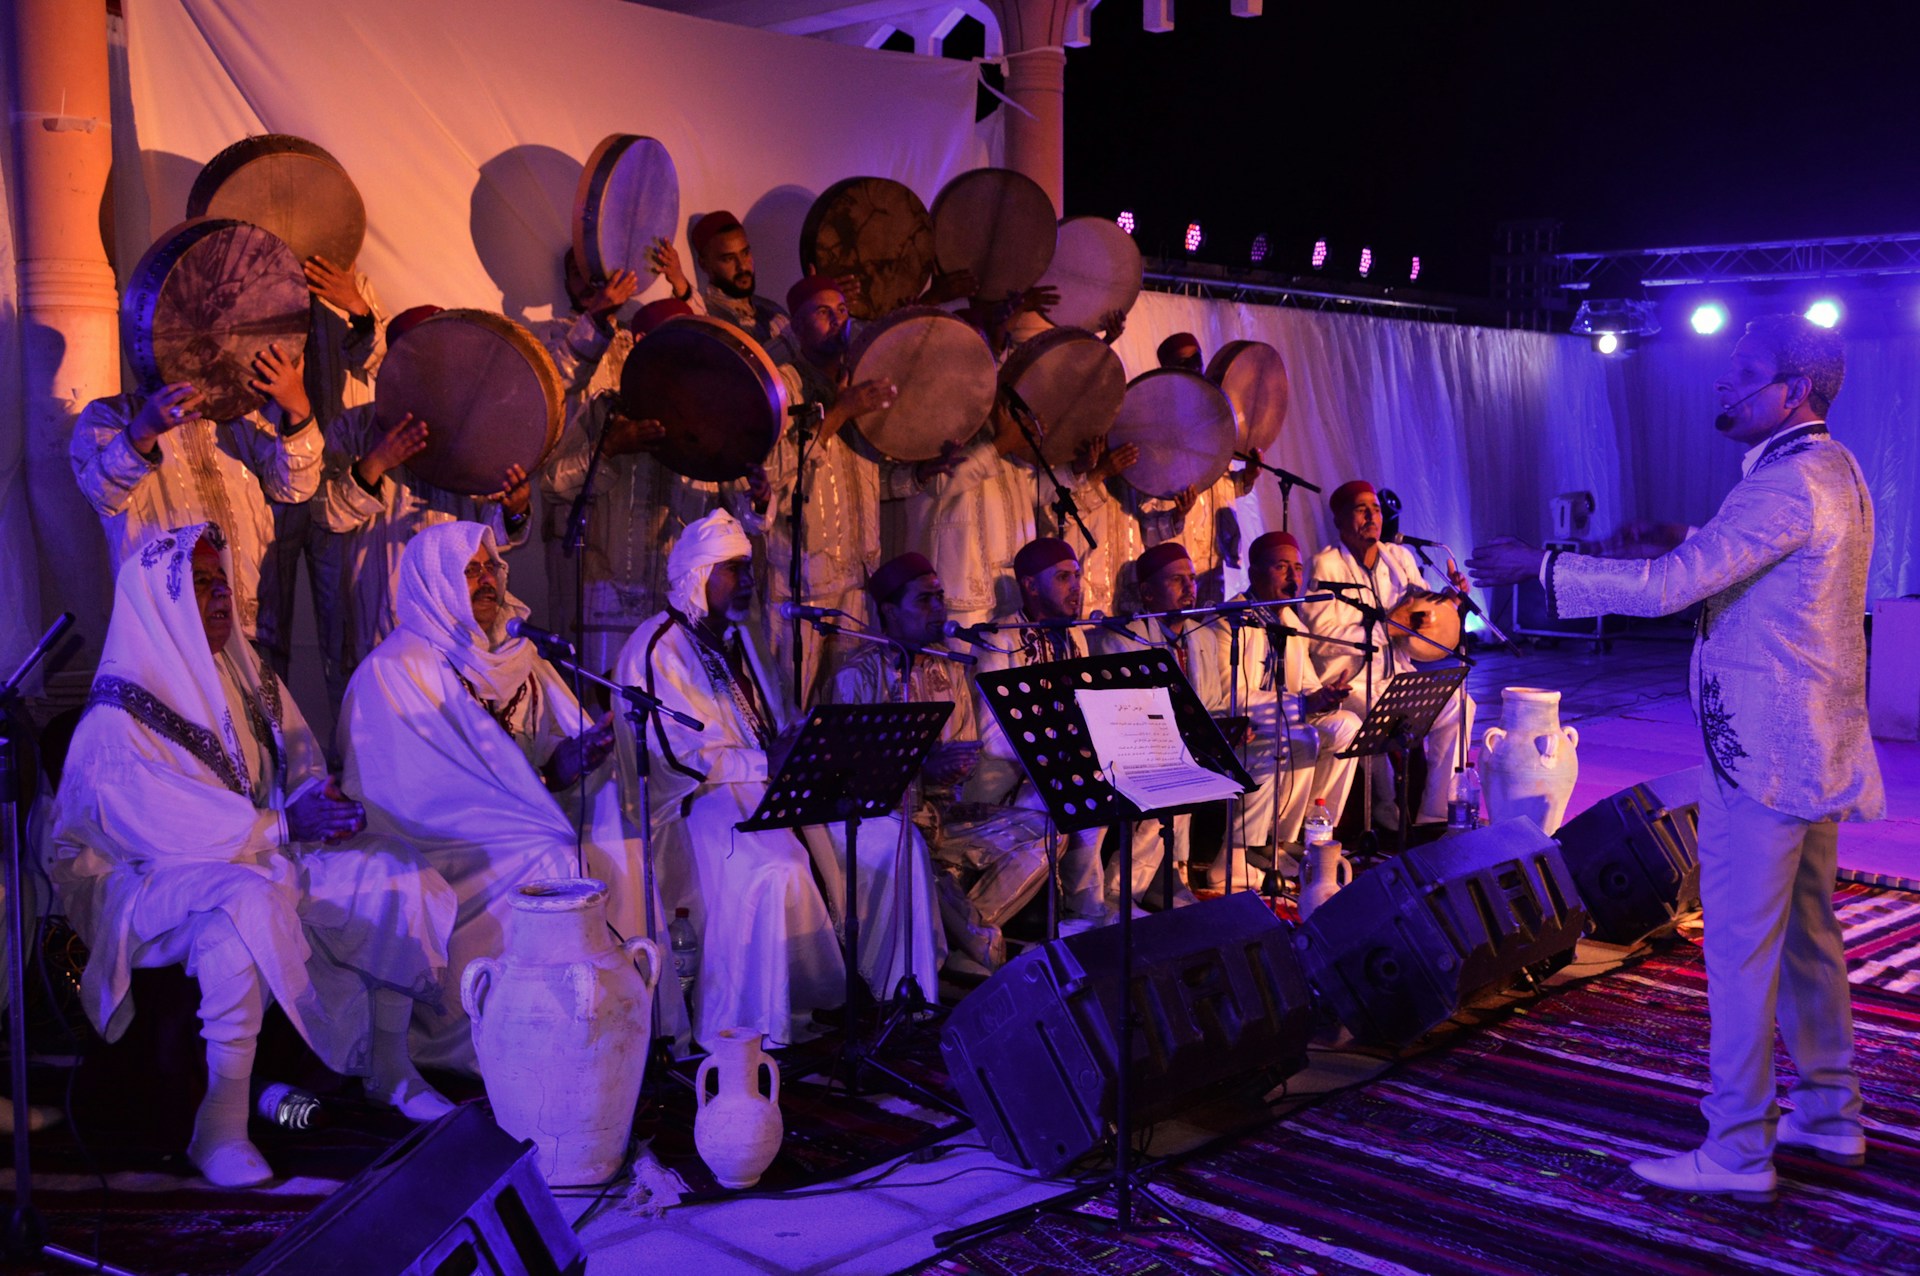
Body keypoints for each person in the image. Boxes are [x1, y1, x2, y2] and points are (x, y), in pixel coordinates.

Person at [1468, 313, 1884, 1203]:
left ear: (1792, 392)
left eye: (1744, 373)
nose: (1723, 387)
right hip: (1810, 746)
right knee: (1808, 933)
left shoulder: (1784, 485)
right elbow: (1740, 571)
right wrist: (1683, 539)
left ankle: (1736, 1148)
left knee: (1739, 944)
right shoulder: (1831, 467)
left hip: (1765, 756)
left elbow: (1668, 592)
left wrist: (1542, 566)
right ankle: (1830, 1110)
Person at [50, 525, 456, 1186]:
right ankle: (221, 1125)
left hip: (254, 851)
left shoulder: (243, 672)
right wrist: (282, 823)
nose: (220, 599)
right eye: (201, 585)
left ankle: (389, 1066)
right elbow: (162, 830)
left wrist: (318, 803)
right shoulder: (114, 716)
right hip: (140, 885)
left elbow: (295, 760)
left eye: (222, 583)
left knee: (392, 875)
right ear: (160, 602)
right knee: (243, 908)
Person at [338, 521, 669, 1071]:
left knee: (620, 835)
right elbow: (412, 797)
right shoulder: (395, 672)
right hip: (446, 848)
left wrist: (571, 760)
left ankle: (627, 1029)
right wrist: (533, 796)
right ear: (434, 582)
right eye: (469, 571)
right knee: (555, 857)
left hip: (528, 827)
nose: (487, 579)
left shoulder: (523, 659)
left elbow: (544, 765)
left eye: (491, 566)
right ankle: (549, 1041)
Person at [614, 510, 843, 1049]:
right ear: (698, 575)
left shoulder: (735, 639)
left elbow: (764, 728)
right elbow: (675, 759)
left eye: (750, 570)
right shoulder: (658, 645)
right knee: (773, 868)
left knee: (878, 839)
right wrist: (768, 763)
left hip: (758, 788)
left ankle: (834, 1000)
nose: (747, 582)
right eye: (733, 570)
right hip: (691, 804)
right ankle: (746, 1028)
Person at [824, 553, 1051, 975]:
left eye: (940, 598)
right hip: (886, 821)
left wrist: (954, 768)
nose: (939, 609)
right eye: (925, 600)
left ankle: (961, 936)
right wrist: (921, 771)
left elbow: (963, 746)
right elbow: (847, 781)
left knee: (1047, 831)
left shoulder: (949, 667)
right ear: (890, 611)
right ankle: (974, 943)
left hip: (941, 813)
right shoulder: (854, 677)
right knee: (910, 848)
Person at [310, 306, 533, 713]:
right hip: (376, 611)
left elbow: (488, 537)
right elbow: (325, 515)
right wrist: (376, 463)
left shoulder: (474, 430)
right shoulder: (353, 428)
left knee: (451, 721)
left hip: (454, 625)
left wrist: (515, 509)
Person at [540, 298, 767, 673]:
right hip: (610, 605)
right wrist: (612, 448)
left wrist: (757, 501)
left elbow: (738, 516)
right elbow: (552, 485)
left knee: (683, 712)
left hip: (684, 605)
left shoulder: (715, 419)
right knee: (611, 711)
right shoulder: (605, 410)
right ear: (644, 344)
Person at [70, 344, 321, 647]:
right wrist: (143, 431)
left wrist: (298, 410)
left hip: (249, 627)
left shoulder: (239, 416)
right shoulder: (111, 416)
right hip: (166, 635)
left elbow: (296, 487)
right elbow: (101, 493)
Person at [1300, 479, 1475, 828]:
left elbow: (1423, 618)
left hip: (1400, 675)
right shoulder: (1325, 566)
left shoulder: (1400, 558)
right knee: (1389, 715)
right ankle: (1385, 804)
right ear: (1339, 520)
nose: (1371, 516)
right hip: (1349, 683)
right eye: (1361, 509)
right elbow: (1320, 640)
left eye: (1376, 509)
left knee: (1460, 703)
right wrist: (1388, 628)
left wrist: (1450, 602)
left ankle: (1435, 814)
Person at [254, 255, 389, 686]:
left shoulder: (350, 281)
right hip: (273, 472)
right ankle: (265, 743)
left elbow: (387, 367)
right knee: (262, 628)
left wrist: (359, 309)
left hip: (340, 479)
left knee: (348, 635)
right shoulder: (248, 279)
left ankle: (351, 746)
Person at [961, 537, 1109, 925]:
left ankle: (1085, 915)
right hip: (1005, 779)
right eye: (1063, 577)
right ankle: (976, 922)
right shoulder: (1000, 639)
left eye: (1077, 576)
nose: (1076, 587)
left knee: (1101, 788)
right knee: (1065, 797)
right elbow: (993, 735)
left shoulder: (1076, 635)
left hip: (1061, 769)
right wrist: (1056, 758)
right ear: (1029, 585)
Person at [762, 275, 893, 700]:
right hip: (800, 583)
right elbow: (774, 472)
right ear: (797, 328)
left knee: (850, 706)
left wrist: (922, 474)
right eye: (823, 312)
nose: (838, 321)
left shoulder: (860, 382)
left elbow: (873, 477)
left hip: (857, 582)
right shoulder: (782, 384)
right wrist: (838, 414)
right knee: (792, 706)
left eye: (842, 311)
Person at [1219, 531, 1361, 888]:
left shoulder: (1292, 623)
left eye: (1297, 568)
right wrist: (1302, 705)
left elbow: (1307, 687)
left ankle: (1306, 832)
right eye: (1281, 567)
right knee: (1302, 734)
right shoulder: (1230, 621)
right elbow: (1228, 696)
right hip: (1245, 726)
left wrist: (1327, 697)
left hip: (1288, 719)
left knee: (1347, 725)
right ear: (1254, 574)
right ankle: (1258, 845)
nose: (1293, 577)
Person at [1089, 542, 1227, 910]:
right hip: (1134, 747)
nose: (1189, 587)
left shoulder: (1204, 635)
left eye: (1192, 578)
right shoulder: (1120, 639)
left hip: (1187, 745)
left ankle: (1173, 870)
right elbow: (1120, 713)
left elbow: (1211, 702)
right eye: (1177, 580)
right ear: (1148, 592)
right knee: (1177, 772)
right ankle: (1125, 888)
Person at [652, 211, 789, 347]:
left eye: (745, 253)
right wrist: (679, 282)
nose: (742, 266)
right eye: (728, 259)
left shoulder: (773, 310)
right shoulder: (709, 315)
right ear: (704, 264)